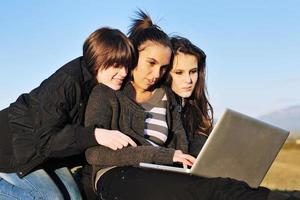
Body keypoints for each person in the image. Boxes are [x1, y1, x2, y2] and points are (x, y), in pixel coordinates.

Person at [83, 11, 298, 200]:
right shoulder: (106, 94)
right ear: (134, 56)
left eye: (163, 67)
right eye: (151, 63)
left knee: (224, 187)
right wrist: (165, 157)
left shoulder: (168, 98)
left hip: (160, 173)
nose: (156, 74)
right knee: (212, 192)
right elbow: (95, 155)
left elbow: (181, 147)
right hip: (116, 175)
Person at [0, 27, 136, 199]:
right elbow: (46, 140)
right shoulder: (67, 82)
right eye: (117, 65)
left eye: (126, 65)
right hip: (13, 147)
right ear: (97, 59)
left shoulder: (100, 86)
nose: (124, 72)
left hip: (46, 155)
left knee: (74, 196)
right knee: (51, 198)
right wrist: (95, 135)